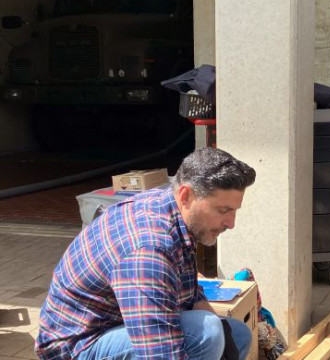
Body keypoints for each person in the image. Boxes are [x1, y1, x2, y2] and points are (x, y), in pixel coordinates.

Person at [35, 147, 257, 360]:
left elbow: (190, 294)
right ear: (186, 196)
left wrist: (222, 328)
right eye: (223, 210)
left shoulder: (172, 211)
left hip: (117, 323)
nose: (231, 223)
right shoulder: (149, 250)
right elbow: (159, 353)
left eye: (234, 211)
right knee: (206, 334)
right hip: (78, 346)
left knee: (235, 335)